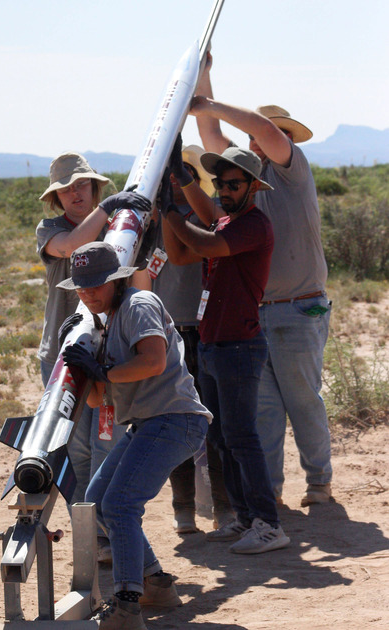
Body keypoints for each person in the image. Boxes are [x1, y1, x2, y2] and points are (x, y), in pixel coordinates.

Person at [192, 59, 332, 507]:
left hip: (297, 306)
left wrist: (207, 103)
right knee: (266, 410)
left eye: (272, 133)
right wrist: (204, 77)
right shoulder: (249, 185)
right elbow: (214, 137)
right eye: (256, 136)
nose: (261, 139)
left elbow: (255, 127)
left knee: (302, 401)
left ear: (285, 139)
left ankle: (318, 484)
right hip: (260, 311)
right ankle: (268, 492)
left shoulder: (291, 170)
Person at [60, 241, 211, 630]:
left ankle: (127, 606)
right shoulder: (107, 323)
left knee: (121, 506)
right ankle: (156, 584)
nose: (88, 294)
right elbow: (96, 400)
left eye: (95, 285)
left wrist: (100, 369)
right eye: (81, 288)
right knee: (97, 500)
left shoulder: (137, 305)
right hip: (148, 423)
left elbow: (154, 360)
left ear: (116, 280)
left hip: (174, 418)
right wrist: (81, 361)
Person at [160, 142, 290, 554]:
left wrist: (169, 208)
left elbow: (204, 244)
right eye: (219, 183)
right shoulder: (227, 224)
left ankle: (268, 524)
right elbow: (180, 253)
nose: (224, 190)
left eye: (233, 184)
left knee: (241, 437)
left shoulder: (253, 225)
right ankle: (243, 518)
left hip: (237, 345)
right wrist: (177, 191)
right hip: (216, 345)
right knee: (220, 437)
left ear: (254, 187)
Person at [36, 152, 150, 561]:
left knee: (109, 443)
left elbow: (141, 282)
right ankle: (93, 538)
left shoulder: (116, 228)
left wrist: (138, 226)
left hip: (110, 355)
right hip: (64, 357)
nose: (73, 194)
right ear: (56, 198)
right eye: (65, 190)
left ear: (94, 186)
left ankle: (109, 533)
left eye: (81, 185)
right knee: (77, 451)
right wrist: (110, 209)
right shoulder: (50, 230)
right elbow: (71, 244)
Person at [149, 145, 228, 534]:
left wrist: (168, 212)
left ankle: (222, 508)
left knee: (215, 422)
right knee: (174, 422)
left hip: (205, 328)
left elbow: (182, 256)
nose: (177, 182)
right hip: (165, 331)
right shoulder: (147, 217)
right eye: (171, 175)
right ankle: (184, 509)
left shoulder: (212, 215)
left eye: (183, 175)